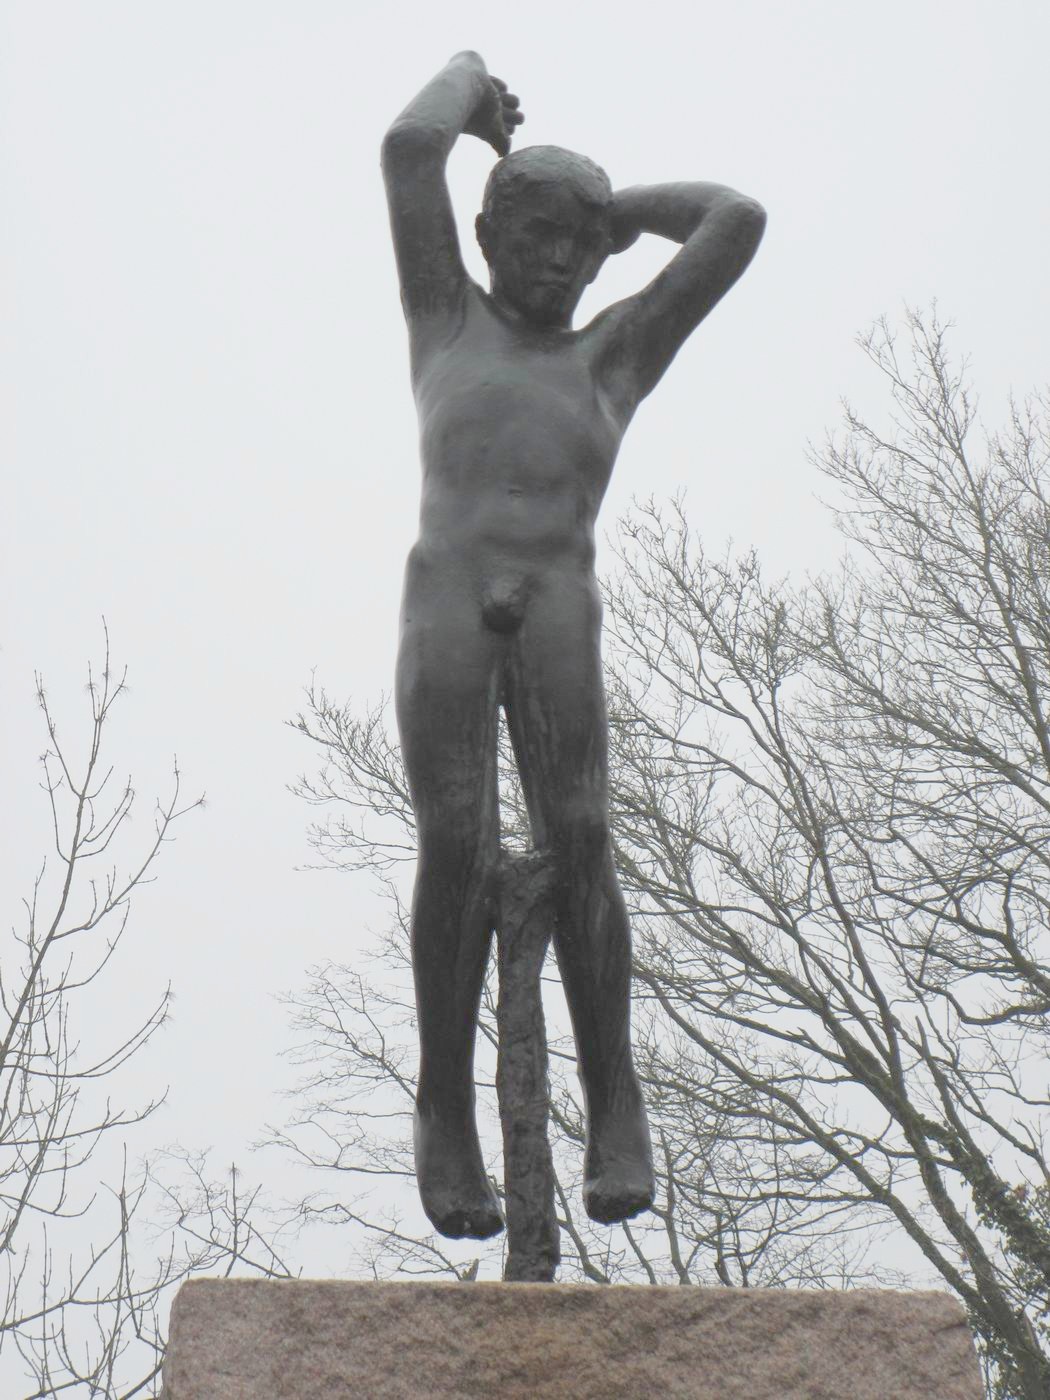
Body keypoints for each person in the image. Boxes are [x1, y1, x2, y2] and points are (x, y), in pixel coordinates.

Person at [381, 50, 765, 1240]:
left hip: (556, 599)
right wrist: (471, 85)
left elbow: (735, 220)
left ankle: (616, 1103)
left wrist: (618, 213)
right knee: (458, 842)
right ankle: (445, 1112)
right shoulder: (446, 316)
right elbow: (410, 151)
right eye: (536, 235)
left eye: (577, 244)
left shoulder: (614, 354)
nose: (557, 260)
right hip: (450, 596)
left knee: (583, 835)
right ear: (488, 238)